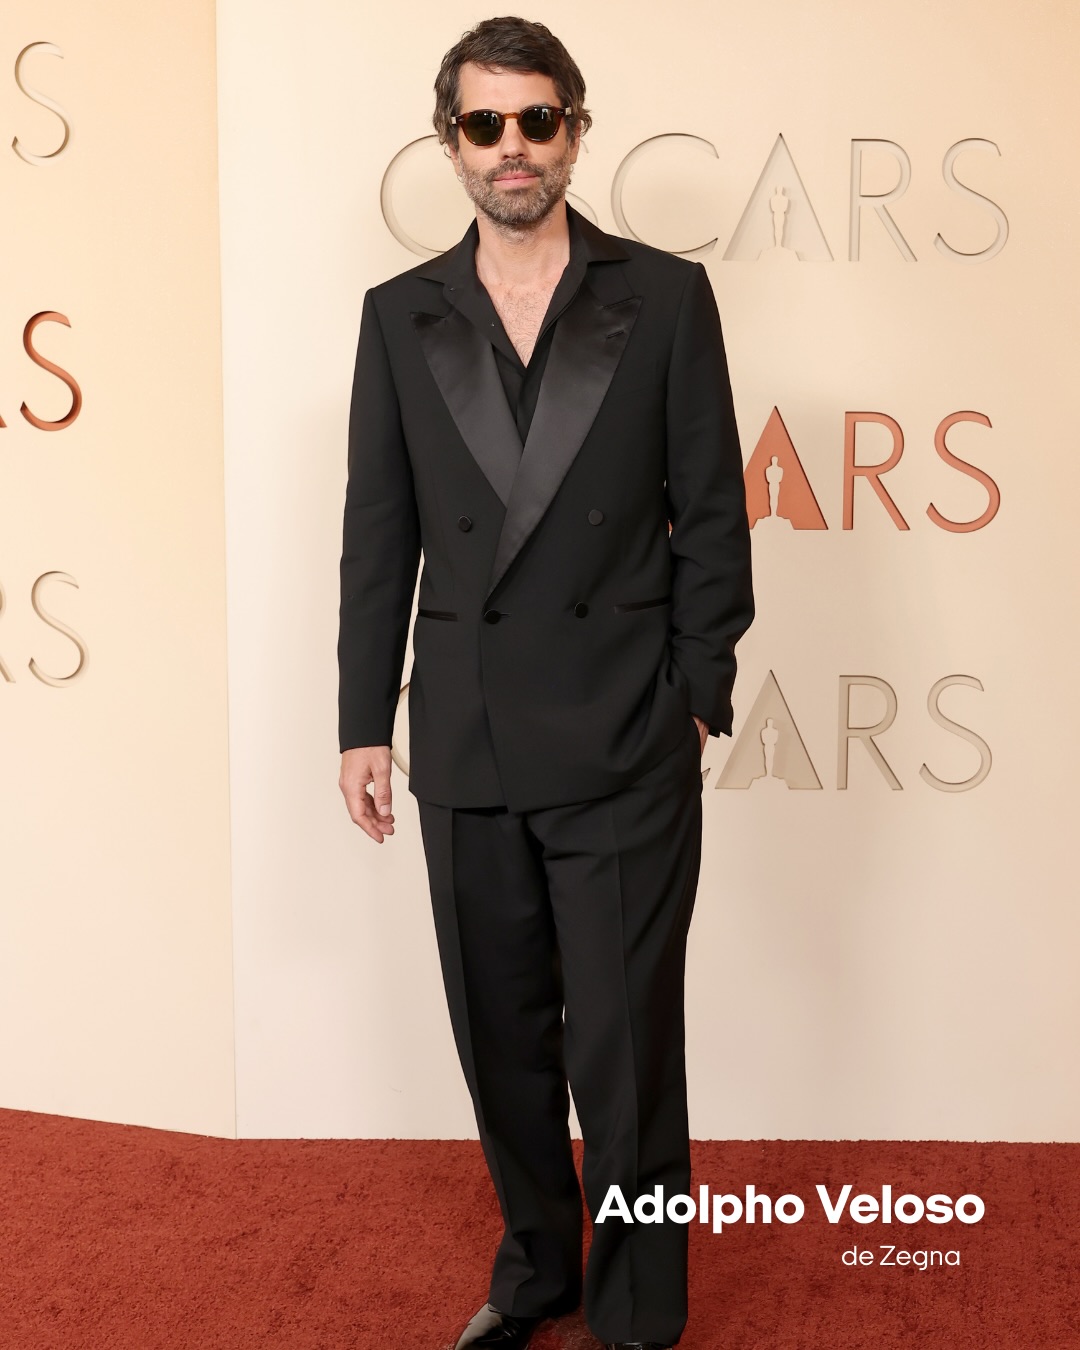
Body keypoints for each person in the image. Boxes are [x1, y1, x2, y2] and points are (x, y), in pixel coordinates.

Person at [337, 17, 754, 1349]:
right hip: (465, 734)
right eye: (484, 124)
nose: (511, 147)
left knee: (624, 1047)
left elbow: (714, 515)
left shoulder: (666, 298)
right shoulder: (399, 315)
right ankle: (535, 1270)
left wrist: (694, 690)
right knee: (500, 1035)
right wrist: (362, 722)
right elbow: (378, 535)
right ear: (450, 141)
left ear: (575, 129)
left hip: (624, 729)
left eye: (536, 120)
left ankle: (636, 1307)